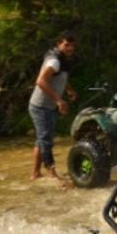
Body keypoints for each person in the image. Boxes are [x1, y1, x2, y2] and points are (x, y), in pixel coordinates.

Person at [28, 31, 78, 180]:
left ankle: (35, 173)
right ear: (59, 44)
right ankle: (52, 173)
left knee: (41, 139)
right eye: (66, 45)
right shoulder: (54, 61)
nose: (70, 48)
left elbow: (60, 76)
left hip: (44, 105)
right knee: (46, 140)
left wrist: (69, 90)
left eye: (72, 46)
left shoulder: (61, 59)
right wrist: (59, 100)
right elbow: (40, 81)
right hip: (41, 106)